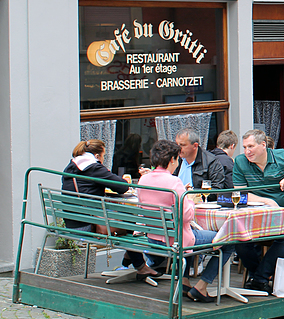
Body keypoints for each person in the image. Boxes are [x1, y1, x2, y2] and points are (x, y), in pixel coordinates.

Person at [137, 140, 236, 302]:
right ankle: (202, 287)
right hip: (176, 241)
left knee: (190, 233)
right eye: (177, 159)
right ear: (172, 160)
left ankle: (183, 281)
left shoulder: (143, 180)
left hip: (154, 237)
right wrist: (189, 199)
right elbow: (187, 216)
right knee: (228, 239)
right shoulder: (174, 182)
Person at [232, 129, 284, 293]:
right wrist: (266, 201)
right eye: (245, 147)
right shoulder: (240, 161)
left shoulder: (281, 156)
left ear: (263, 145)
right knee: (238, 240)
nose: (247, 151)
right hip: (256, 214)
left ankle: (259, 278)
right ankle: (260, 276)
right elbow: (240, 193)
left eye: (251, 146)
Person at [61, 139, 157, 278]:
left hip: (73, 222)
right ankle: (139, 265)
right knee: (129, 218)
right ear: (98, 155)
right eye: (104, 156)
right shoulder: (93, 168)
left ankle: (130, 257)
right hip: (87, 225)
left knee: (126, 218)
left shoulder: (71, 167)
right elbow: (122, 187)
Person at [175, 128, 229, 197]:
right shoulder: (175, 159)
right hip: (177, 203)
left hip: (200, 204)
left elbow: (217, 189)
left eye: (182, 145)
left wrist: (195, 193)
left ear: (195, 146)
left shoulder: (211, 161)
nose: (178, 148)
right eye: (177, 144)